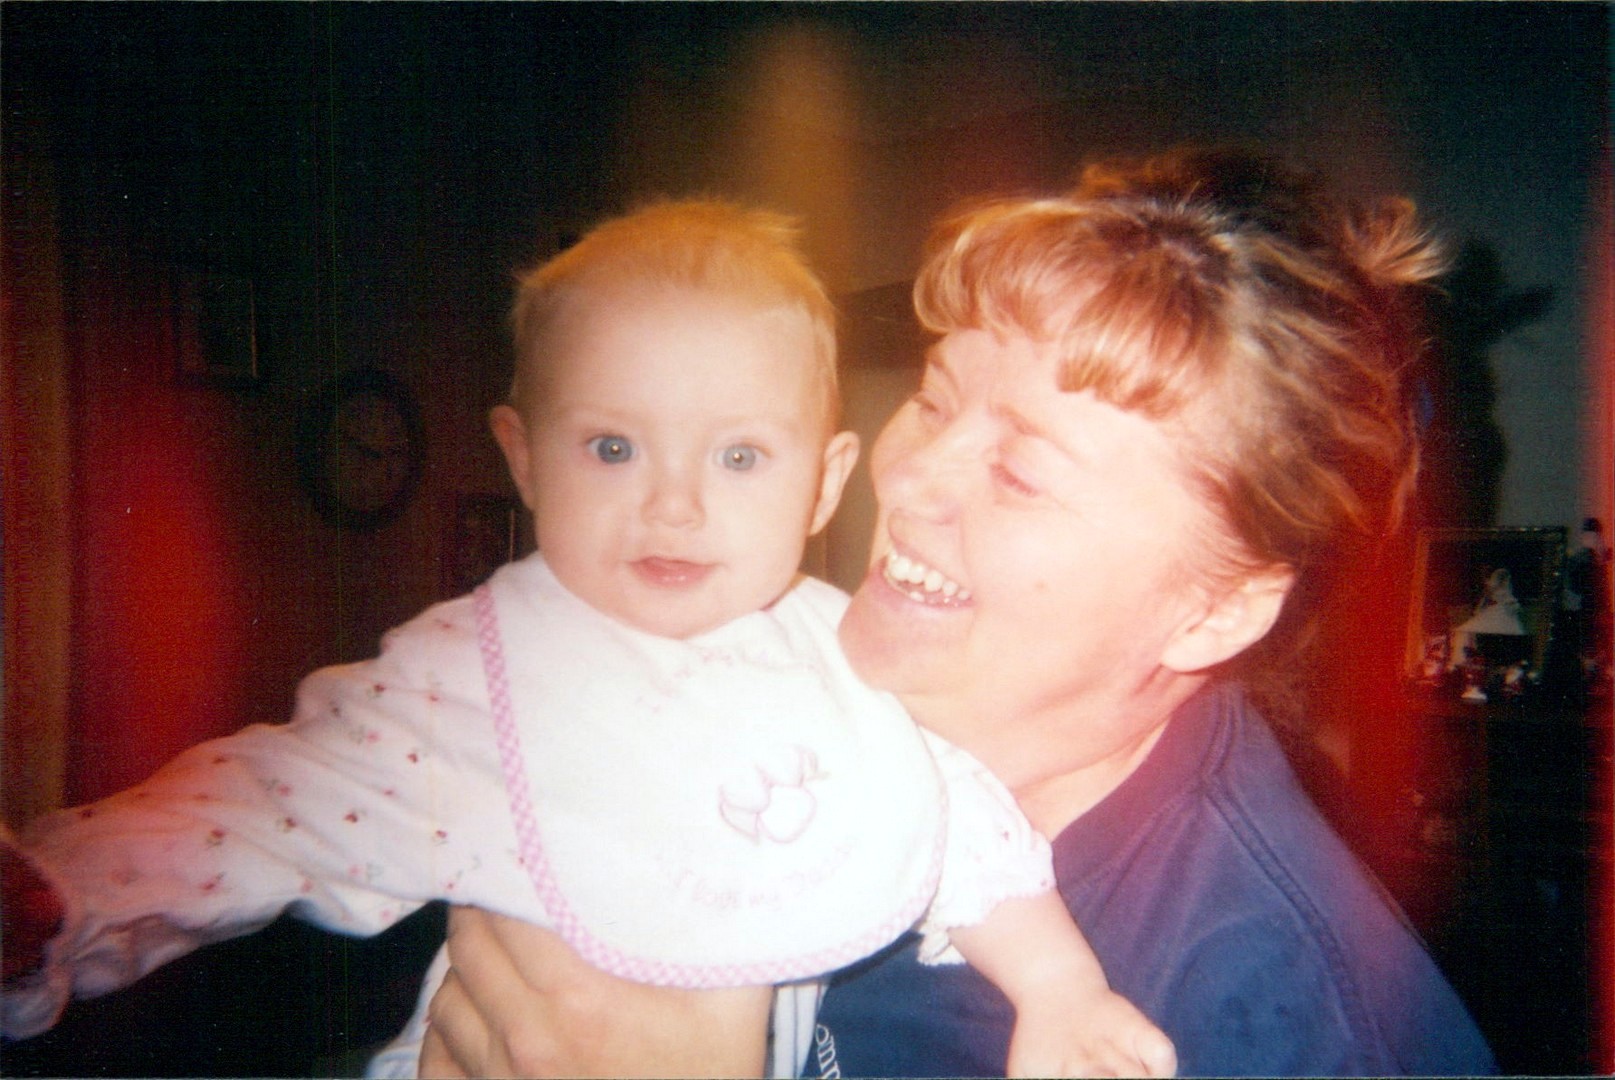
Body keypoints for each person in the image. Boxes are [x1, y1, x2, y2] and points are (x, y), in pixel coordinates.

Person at [0, 199, 1174, 1078]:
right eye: (613, 448)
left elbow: (955, 825)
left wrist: (1058, 990)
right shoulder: (481, 673)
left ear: (822, 487)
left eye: (739, 456)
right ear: (523, 459)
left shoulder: (836, 659)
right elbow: (270, 802)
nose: (674, 505)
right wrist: (64, 890)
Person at [418, 148, 1499, 1078]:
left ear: (1215, 610)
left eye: (1019, 472)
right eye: (934, 398)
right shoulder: (804, 711)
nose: (908, 475)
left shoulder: (1284, 1022)